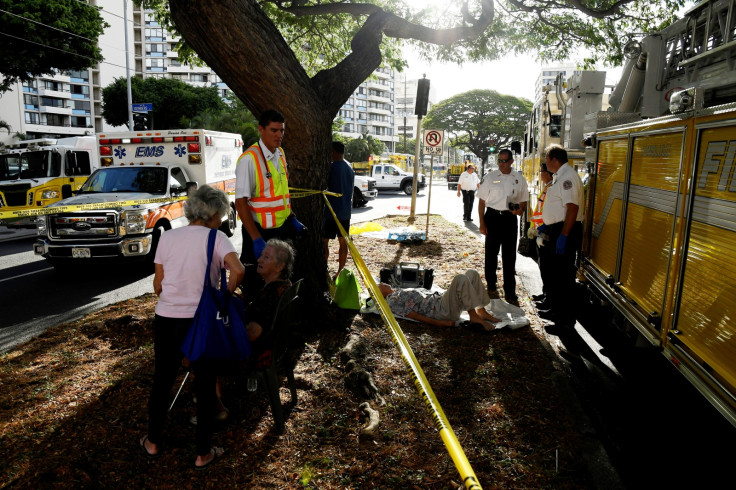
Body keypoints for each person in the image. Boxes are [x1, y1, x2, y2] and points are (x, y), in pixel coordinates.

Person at [140, 185, 245, 470]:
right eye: (221, 213)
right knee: (205, 382)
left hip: (166, 317)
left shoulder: (168, 237)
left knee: (162, 380)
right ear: (213, 212)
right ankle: (202, 452)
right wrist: (223, 299)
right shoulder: (217, 238)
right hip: (201, 320)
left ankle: (152, 441)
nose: (223, 218)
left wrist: (173, 296)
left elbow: (158, 284)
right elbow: (238, 270)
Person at [234, 109, 304, 302]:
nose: (279, 135)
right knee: (256, 283)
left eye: (281, 130)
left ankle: (277, 319)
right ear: (261, 130)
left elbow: (281, 194)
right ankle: (253, 325)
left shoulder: (280, 154)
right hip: (259, 233)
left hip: (281, 231)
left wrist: (292, 217)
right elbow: (240, 203)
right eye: (274, 130)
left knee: (281, 280)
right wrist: (256, 240)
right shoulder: (249, 159)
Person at [536, 144, 584, 332]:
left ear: (555, 159)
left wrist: (563, 235)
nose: (545, 163)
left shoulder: (567, 178)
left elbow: (572, 208)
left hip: (566, 231)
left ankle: (565, 322)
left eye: (547, 159)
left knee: (564, 278)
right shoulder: (560, 176)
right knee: (556, 276)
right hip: (558, 229)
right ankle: (556, 312)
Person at [477, 148, 529, 304]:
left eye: (504, 161)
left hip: (509, 219)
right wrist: (481, 223)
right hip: (492, 217)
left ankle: (510, 291)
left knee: (509, 256)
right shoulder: (490, 177)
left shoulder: (519, 179)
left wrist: (520, 209)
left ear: (512, 161)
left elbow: (523, 200)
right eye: (499, 160)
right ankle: (491, 286)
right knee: (491, 254)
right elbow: (481, 202)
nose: (501, 164)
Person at [379, 269, 500, 331]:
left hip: (441, 300)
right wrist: (442, 323)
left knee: (471, 273)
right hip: (440, 310)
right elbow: (415, 316)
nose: (382, 283)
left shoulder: (397, 291)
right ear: (380, 294)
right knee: (460, 279)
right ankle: (473, 316)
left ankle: (481, 311)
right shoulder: (393, 301)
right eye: (379, 286)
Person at [245, 239, 295, 363]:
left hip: (258, 352)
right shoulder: (285, 284)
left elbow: (252, 334)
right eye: (262, 255)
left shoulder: (271, 294)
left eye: (266, 257)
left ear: (279, 266)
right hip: (275, 347)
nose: (259, 260)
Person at [324, 141, 354, 277]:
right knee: (343, 241)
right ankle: (340, 271)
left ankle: (324, 268)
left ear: (334, 152)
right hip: (345, 212)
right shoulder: (349, 168)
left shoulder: (331, 168)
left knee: (324, 241)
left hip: (330, 212)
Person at [529, 163, 554, 308]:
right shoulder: (548, 187)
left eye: (541, 171)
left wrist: (542, 229)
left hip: (546, 233)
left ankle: (548, 299)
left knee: (547, 268)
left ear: (548, 173)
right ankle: (545, 294)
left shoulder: (551, 189)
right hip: (541, 232)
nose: (540, 174)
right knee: (543, 266)